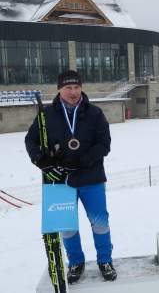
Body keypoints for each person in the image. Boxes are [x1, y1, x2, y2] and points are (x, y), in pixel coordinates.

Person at [25, 70, 117, 284]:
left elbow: (104, 144)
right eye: (68, 88)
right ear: (59, 89)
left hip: (91, 178)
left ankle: (105, 260)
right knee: (67, 226)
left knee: (100, 222)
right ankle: (76, 262)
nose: (73, 92)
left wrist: (82, 161)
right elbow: (31, 141)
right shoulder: (46, 115)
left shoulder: (95, 113)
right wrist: (41, 161)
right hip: (61, 181)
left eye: (77, 87)